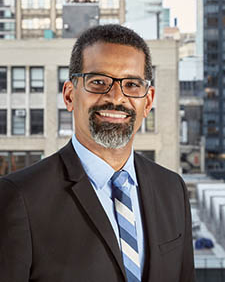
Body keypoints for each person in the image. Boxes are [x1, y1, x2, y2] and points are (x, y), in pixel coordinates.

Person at [0, 24, 196, 282]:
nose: (116, 97)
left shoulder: (172, 189)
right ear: (70, 96)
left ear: (147, 102)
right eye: (98, 82)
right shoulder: (17, 198)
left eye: (132, 84)